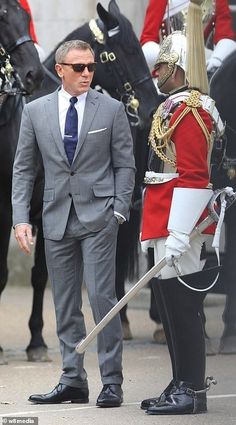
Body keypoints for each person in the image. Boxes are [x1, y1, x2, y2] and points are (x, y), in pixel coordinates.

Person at [12, 39, 135, 407]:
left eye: (91, 67)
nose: (86, 73)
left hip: (100, 218)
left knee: (102, 299)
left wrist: (119, 209)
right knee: (65, 304)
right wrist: (20, 219)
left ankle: (112, 381)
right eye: (79, 67)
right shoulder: (35, 112)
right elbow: (23, 169)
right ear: (61, 69)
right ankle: (73, 380)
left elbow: (125, 164)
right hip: (55, 219)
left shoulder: (111, 110)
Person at [139, 0, 223, 415]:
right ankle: (180, 381)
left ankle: (192, 390)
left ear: (180, 67)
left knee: (183, 308)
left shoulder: (189, 107)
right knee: (170, 307)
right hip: (165, 217)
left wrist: (177, 231)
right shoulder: (175, 104)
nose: (156, 72)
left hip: (182, 222)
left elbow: (193, 175)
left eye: (163, 66)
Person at [140, 0, 236, 76]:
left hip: (203, 64)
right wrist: (170, 59)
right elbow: (148, 38)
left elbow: (225, 34)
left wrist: (217, 59)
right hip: (171, 68)